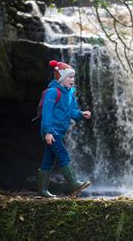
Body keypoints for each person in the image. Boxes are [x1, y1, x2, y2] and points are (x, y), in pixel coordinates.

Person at [37, 60, 92, 198]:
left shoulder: (69, 93)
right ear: (61, 78)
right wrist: (48, 131)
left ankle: (42, 191)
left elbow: (71, 111)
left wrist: (80, 113)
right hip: (51, 131)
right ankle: (73, 184)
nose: (72, 80)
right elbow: (47, 113)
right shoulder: (52, 92)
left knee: (48, 160)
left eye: (73, 77)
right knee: (63, 154)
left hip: (59, 132)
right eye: (69, 77)